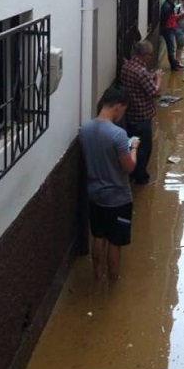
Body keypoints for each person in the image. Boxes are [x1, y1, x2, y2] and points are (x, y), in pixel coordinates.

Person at [79, 87, 139, 281]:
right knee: (115, 242)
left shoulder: (85, 129)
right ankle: (113, 282)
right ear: (118, 107)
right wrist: (134, 149)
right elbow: (128, 167)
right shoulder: (118, 135)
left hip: (95, 195)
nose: (122, 115)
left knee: (98, 236)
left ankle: (97, 276)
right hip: (118, 199)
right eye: (123, 111)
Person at [121, 40, 163, 184]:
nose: (150, 58)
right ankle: (141, 177)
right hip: (142, 116)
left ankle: (132, 172)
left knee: (132, 144)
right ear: (144, 55)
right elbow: (155, 92)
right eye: (150, 55)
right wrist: (158, 78)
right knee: (144, 149)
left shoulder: (126, 66)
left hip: (130, 114)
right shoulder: (141, 72)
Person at [160, 0, 180, 71]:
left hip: (170, 29)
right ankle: (173, 66)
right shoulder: (167, 7)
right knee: (171, 48)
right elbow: (165, 20)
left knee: (172, 47)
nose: (176, 0)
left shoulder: (169, 5)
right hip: (168, 30)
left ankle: (174, 64)